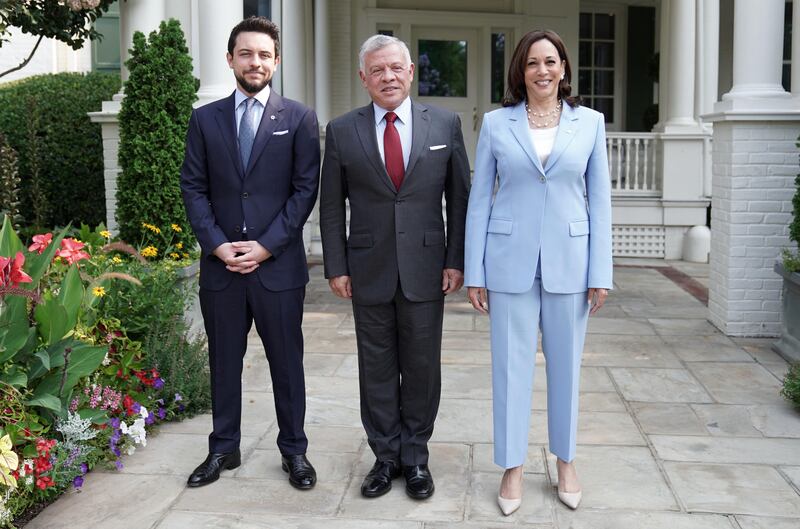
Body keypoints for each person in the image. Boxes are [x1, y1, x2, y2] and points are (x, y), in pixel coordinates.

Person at [464, 29, 612, 515]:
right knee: (510, 368)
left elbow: (601, 205)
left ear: (564, 68)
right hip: (509, 264)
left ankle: (565, 461)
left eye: (551, 61)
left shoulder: (590, 123)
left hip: (571, 262)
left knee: (566, 369)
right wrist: (474, 271)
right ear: (520, 72)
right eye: (532, 63)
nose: (542, 71)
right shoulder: (495, 123)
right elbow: (479, 201)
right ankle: (512, 467)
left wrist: (601, 270)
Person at [319, 34, 470, 500]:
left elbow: (460, 199)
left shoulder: (444, 124)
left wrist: (456, 259)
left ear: (410, 72)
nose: (388, 77)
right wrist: (336, 266)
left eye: (396, 68)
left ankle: (416, 458)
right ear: (364, 78)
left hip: (427, 269)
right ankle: (385, 458)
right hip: (368, 269)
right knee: (377, 367)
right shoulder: (343, 130)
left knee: (423, 368)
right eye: (377, 70)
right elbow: (330, 205)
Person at [180, 16, 320, 490]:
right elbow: (193, 188)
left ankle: (294, 451)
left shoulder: (299, 118)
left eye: (264, 54)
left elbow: (304, 192)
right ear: (230, 59)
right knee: (223, 362)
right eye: (246, 53)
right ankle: (223, 449)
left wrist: (264, 247)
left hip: (277, 267)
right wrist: (218, 246)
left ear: (276, 61)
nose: (255, 62)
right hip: (221, 270)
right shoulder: (204, 119)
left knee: (286, 364)